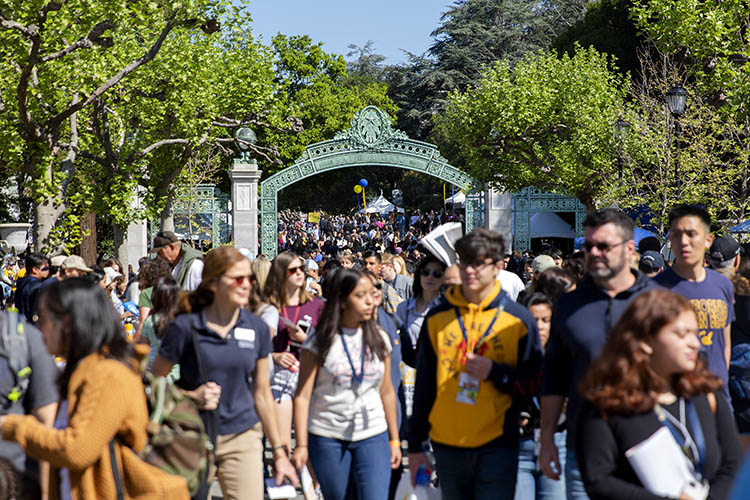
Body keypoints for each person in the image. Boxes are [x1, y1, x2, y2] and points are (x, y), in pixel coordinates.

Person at [1, 278, 190, 499]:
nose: (38, 327)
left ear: (68, 323)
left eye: (42, 318)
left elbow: (77, 449)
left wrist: (13, 426)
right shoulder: (82, 370)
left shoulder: (108, 375)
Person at [151, 246, 298, 500]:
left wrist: (279, 453)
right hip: (191, 436)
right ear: (214, 283)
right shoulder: (185, 326)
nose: (246, 285)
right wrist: (190, 395)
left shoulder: (257, 329)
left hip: (243, 436)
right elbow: (153, 383)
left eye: (249, 279)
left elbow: (262, 393)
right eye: (238, 279)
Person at [408, 228, 542, 500]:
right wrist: (415, 446)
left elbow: (533, 384)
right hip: (446, 443)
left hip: (497, 443)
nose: (470, 270)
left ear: (497, 267)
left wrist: (495, 373)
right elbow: (424, 385)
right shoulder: (437, 317)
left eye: (479, 263)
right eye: (465, 261)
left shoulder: (519, 319)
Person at [576, 289, 742, 499]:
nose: (694, 343)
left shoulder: (705, 391)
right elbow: (598, 481)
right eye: (681, 334)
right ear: (646, 340)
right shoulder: (608, 403)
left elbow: (732, 462)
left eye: (694, 333)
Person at [540, 209, 659, 500]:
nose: (593, 253)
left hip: (650, 448)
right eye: (588, 246)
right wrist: (546, 441)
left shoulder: (657, 302)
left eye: (603, 246)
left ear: (629, 248)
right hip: (583, 450)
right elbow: (554, 378)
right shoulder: (569, 307)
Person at [292, 268, 401, 500]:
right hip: (327, 435)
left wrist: (394, 439)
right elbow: (302, 396)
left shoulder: (380, 337)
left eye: (372, 294)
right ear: (341, 300)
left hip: (373, 433)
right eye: (360, 295)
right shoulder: (319, 340)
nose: (370, 301)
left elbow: (388, 392)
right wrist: (301, 445)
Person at [654, 205, 734, 405]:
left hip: (718, 394)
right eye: (676, 235)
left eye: (691, 234)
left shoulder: (723, 285)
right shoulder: (655, 289)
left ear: (708, 240)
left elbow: (724, 341)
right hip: (676, 399)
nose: (684, 242)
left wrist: (721, 381)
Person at [263, 252, 325, 455]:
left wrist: (304, 339)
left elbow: (329, 345)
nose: (300, 273)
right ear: (281, 274)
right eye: (293, 270)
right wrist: (275, 356)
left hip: (310, 375)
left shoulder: (316, 305)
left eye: (301, 269)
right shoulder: (267, 307)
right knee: (282, 444)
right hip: (279, 375)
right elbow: (256, 346)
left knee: (309, 442)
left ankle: (311, 486)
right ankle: (286, 479)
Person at [515, 292, 566, 500]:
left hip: (557, 444)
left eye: (545, 320)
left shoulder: (564, 357)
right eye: (533, 320)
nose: (540, 326)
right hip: (520, 447)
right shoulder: (512, 355)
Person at [395, 255, 446, 415]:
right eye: (426, 272)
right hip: (411, 373)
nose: (430, 277)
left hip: (438, 373)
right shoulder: (404, 308)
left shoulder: (447, 308)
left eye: (437, 274)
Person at [140, 276, 181, 381]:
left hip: (155, 375)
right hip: (177, 376)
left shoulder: (150, 320)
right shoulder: (182, 320)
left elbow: (142, 348)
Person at [14, 253, 49, 323]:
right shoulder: (38, 287)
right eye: (45, 268)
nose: (48, 270)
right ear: (35, 269)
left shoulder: (21, 283)